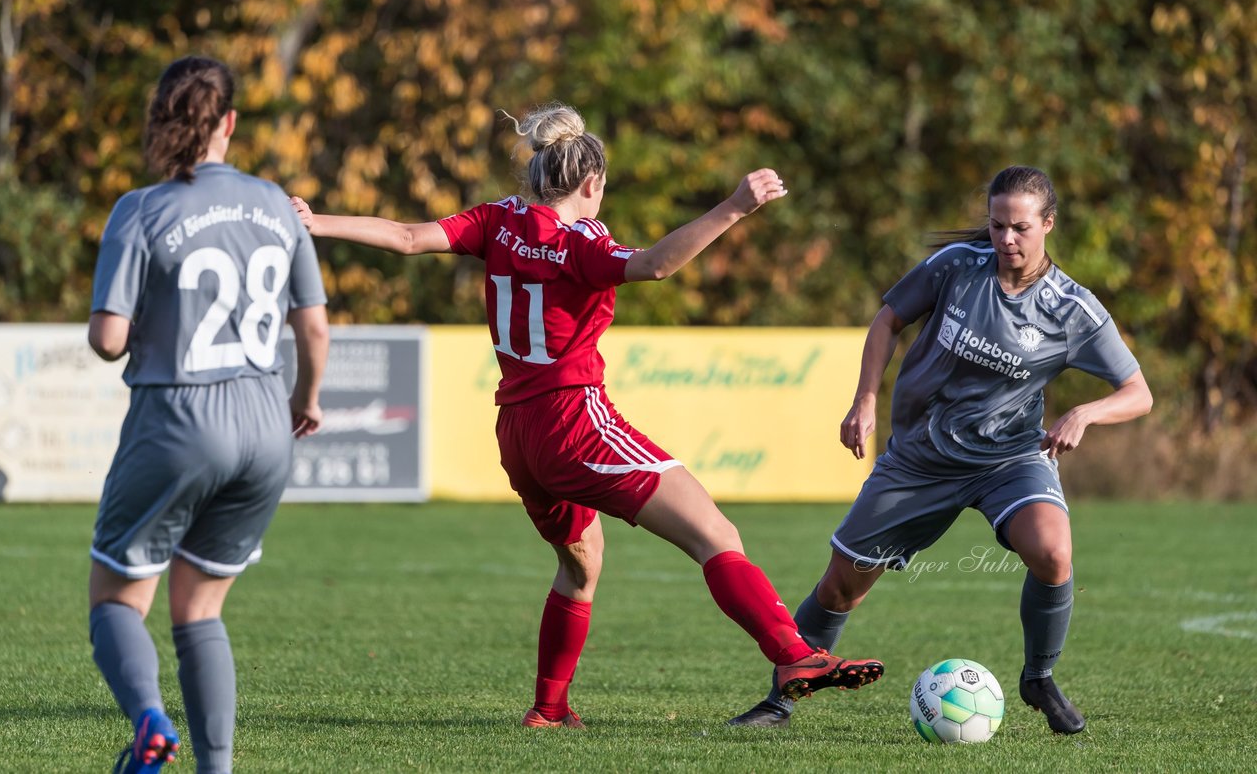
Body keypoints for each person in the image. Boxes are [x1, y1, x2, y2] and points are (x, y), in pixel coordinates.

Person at [290, 102, 884, 728]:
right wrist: (735, 205)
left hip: (519, 433)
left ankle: (548, 709)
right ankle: (795, 656)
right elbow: (655, 264)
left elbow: (408, 238)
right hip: (574, 420)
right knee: (717, 537)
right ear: (591, 183)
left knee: (582, 562)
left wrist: (315, 221)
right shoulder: (580, 242)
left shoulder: (499, 219)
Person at [728, 165, 1153, 733]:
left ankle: (1039, 677)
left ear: (1048, 225)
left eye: (1021, 228)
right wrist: (866, 399)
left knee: (1053, 554)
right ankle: (781, 698)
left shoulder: (1072, 309)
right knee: (840, 587)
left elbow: (1138, 393)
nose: (1006, 239)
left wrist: (1086, 412)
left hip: (1009, 459)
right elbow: (888, 320)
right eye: (997, 225)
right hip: (920, 459)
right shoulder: (956, 268)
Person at [88, 55, 330, 773]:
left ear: (161, 121)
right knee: (199, 608)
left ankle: (149, 723)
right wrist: (306, 400)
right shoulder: (276, 203)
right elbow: (313, 328)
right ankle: (215, 769)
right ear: (229, 122)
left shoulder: (141, 208)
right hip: (264, 421)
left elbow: (108, 340)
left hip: (179, 416)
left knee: (115, 598)